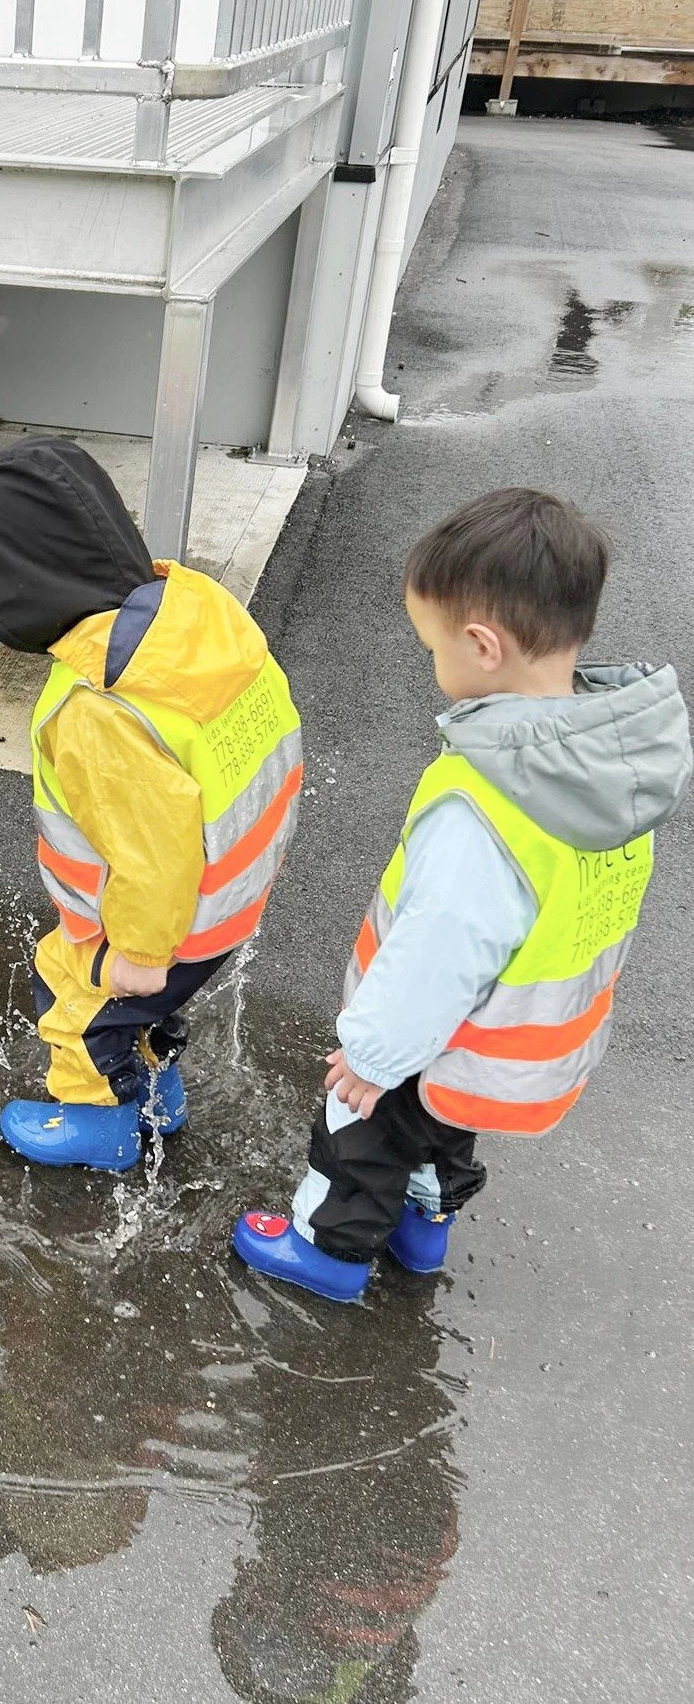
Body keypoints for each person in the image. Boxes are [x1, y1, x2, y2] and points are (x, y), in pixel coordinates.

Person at [235, 487, 691, 1302]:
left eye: (431, 645)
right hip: (515, 1044)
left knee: (361, 1129)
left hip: (434, 1035)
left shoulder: (486, 803)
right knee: (444, 1132)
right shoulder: (609, 770)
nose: (430, 662)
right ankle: (423, 1229)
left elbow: (441, 949)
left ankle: (326, 1251)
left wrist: (374, 1055)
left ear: (482, 646)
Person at [0, 435, 303, 1171]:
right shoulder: (194, 616)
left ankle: (102, 1125)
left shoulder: (101, 706)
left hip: (166, 916)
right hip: (229, 890)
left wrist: (137, 950)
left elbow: (151, 848)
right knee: (146, 1005)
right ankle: (160, 1095)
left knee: (78, 1003)